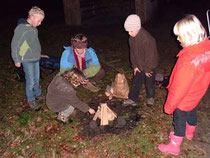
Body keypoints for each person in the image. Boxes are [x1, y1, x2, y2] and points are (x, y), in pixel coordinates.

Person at [158, 14, 210, 156]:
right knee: (192, 109)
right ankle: (190, 132)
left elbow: (179, 88)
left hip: (185, 96)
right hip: (197, 91)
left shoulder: (188, 60)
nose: (178, 39)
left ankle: (175, 145)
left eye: (180, 36)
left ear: (189, 35)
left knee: (179, 118)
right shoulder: (206, 48)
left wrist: (169, 106)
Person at [11, 6, 45, 111]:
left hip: (35, 58)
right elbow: (15, 45)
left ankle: (38, 93)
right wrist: (16, 59)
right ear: (32, 17)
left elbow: (32, 44)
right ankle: (31, 99)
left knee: (36, 78)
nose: (40, 23)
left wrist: (39, 54)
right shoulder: (21, 28)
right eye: (39, 21)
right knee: (30, 81)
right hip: (27, 60)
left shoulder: (33, 28)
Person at [123, 14, 159, 107]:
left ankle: (150, 97)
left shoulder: (147, 39)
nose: (129, 33)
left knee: (149, 83)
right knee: (136, 82)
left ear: (138, 27)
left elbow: (151, 56)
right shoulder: (131, 38)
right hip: (139, 65)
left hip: (150, 66)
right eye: (128, 31)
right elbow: (132, 53)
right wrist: (134, 66)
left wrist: (147, 69)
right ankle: (132, 98)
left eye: (131, 31)